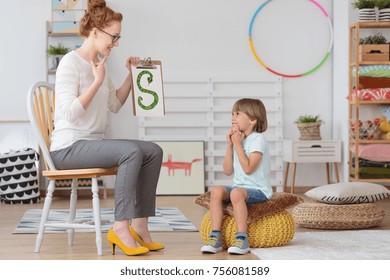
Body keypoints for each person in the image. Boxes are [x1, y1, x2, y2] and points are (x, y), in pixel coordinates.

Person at [50, 0, 164, 256]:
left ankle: (140, 225)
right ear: (95, 32)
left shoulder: (103, 64)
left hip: (92, 144)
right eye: (113, 36)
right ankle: (120, 226)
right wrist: (96, 82)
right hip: (68, 148)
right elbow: (67, 113)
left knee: (153, 150)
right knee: (132, 152)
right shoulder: (70, 63)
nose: (116, 42)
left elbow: (114, 104)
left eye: (118, 37)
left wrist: (131, 75)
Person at [201, 98, 272, 255]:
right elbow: (227, 170)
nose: (233, 117)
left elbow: (248, 168)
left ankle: (242, 240)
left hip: (258, 190)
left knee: (236, 193)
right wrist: (230, 145)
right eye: (232, 113)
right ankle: (215, 237)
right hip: (239, 188)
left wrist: (238, 144)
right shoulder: (239, 139)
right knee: (217, 191)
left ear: (253, 120)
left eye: (238, 114)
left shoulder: (258, 140)